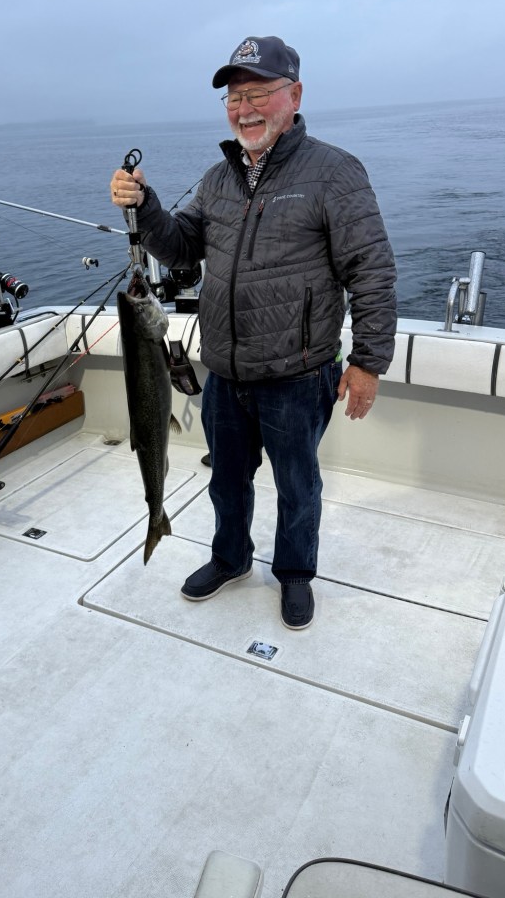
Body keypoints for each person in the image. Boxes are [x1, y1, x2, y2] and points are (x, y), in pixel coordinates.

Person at [110, 35, 397, 630]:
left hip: (298, 372)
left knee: (298, 487)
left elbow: (371, 270)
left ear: (293, 94)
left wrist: (367, 361)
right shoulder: (218, 179)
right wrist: (144, 205)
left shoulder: (335, 172)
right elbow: (183, 249)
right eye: (235, 97)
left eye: (259, 93)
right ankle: (230, 558)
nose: (245, 109)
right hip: (224, 369)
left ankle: (294, 575)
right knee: (226, 483)